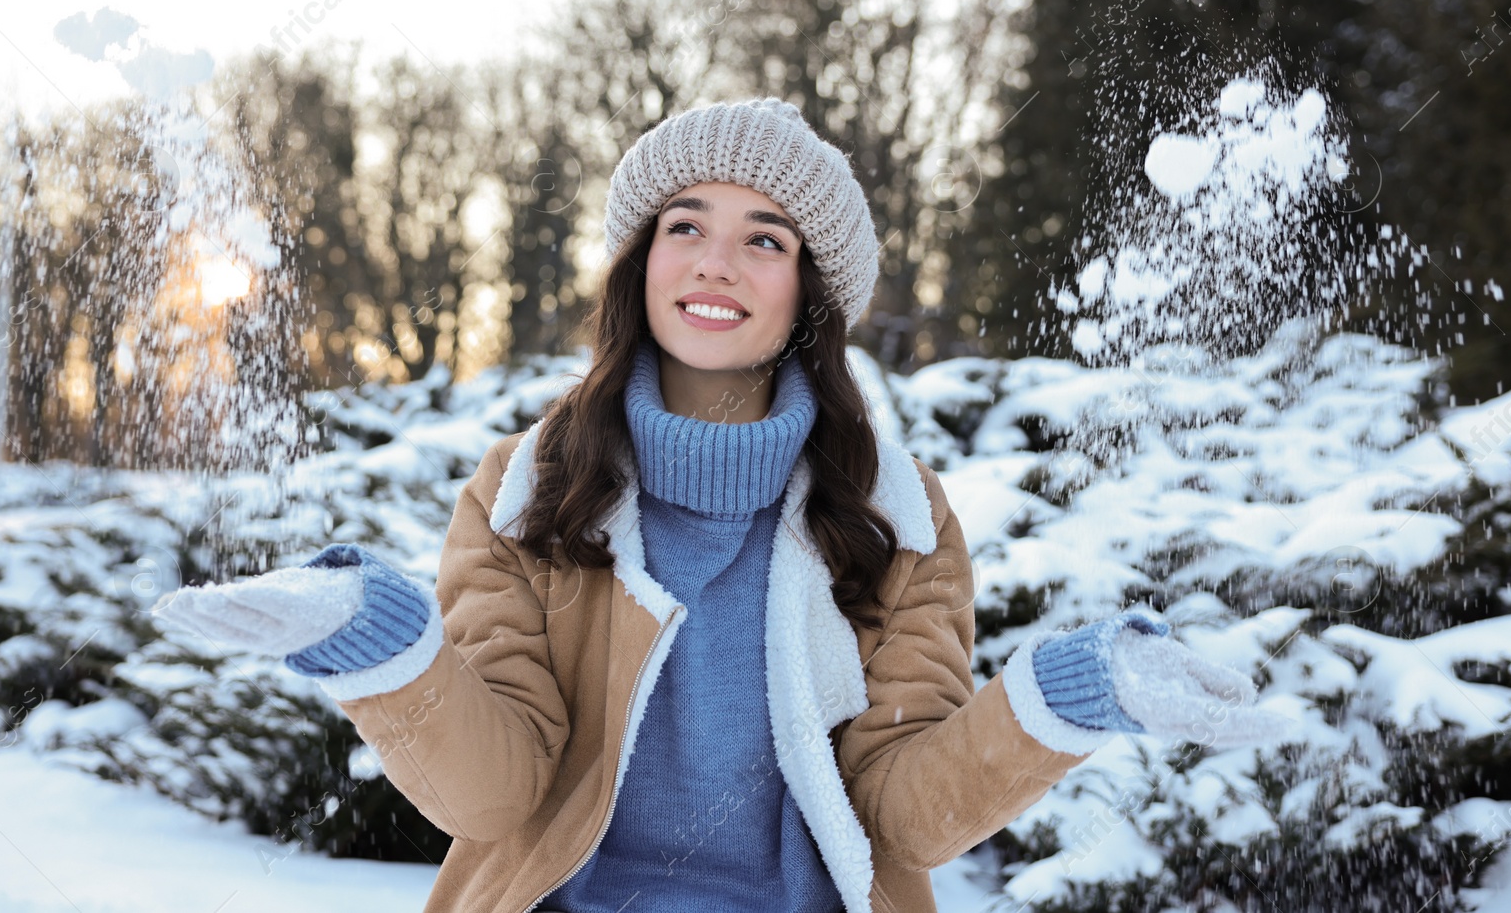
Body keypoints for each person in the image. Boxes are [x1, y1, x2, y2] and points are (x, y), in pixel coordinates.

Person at [158, 96, 1293, 913]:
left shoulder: (897, 514)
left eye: (766, 239)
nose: (715, 263)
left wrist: (1074, 692)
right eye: (684, 225)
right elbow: (495, 796)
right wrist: (375, 642)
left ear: (808, 291)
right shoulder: (525, 489)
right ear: (639, 259)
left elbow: (901, 813)